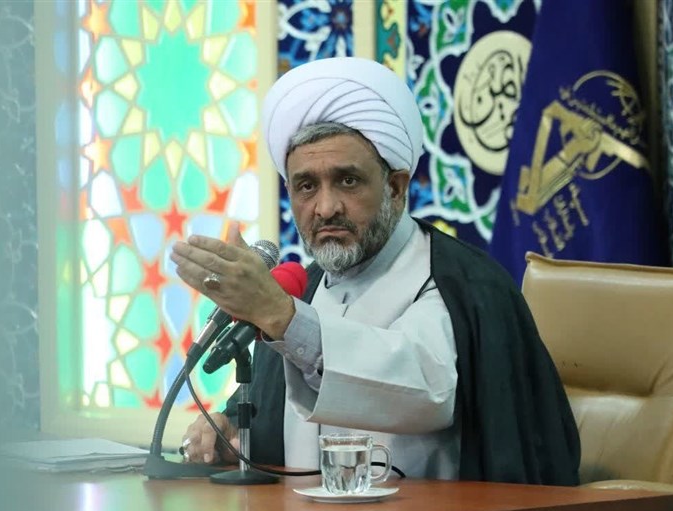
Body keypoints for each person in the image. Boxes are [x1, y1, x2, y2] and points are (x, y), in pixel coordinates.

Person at [171, 57, 580, 485]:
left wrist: (283, 318)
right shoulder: (304, 289)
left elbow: (426, 391)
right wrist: (232, 434)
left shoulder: (462, 286)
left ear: (395, 187)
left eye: (347, 181)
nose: (325, 207)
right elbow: (280, 424)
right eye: (306, 186)